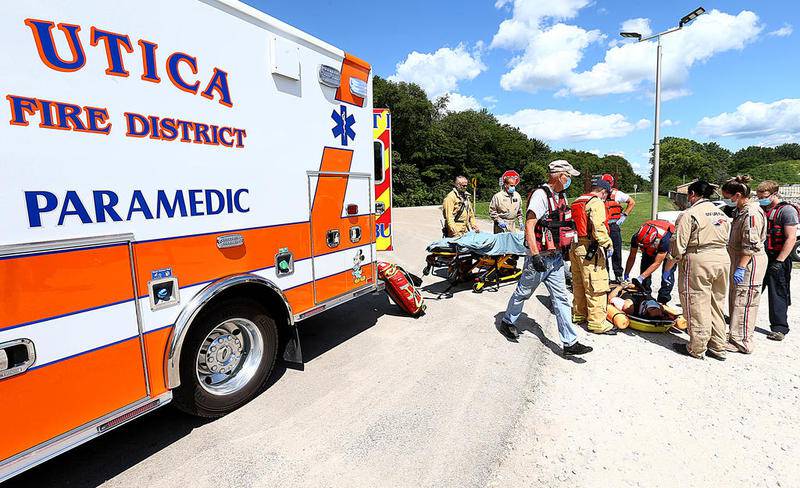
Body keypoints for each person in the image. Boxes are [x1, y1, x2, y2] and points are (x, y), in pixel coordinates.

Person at [499, 160, 592, 357]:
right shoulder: (541, 196)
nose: (570, 181)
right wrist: (534, 255)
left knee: (561, 299)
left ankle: (570, 342)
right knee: (523, 292)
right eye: (568, 176)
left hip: (556, 257)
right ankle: (508, 321)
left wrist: (565, 248)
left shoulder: (561, 196)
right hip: (540, 257)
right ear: (560, 176)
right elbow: (530, 226)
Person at [670, 180, 731, 361]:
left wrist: (674, 259)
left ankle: (697, 347)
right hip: (722, 257)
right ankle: (718, 346)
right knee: (716, 302)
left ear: (692, 194)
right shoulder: (720, 213)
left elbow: (678, 243)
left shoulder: (690, 214)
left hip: (699, 257)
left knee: (696, 301)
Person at [722, 175, 767, 354]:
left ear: (738, 195)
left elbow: (751, 245)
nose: (727, 200)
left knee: (745, 301)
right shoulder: (740, 210)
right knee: (736, 299)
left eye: (728, 196)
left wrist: (741, 267)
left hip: (749, 264)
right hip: (739, 260)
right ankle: (735, 334)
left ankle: (743, 341)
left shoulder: (751, 213)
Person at [570, 179, 615, 335]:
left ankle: (579, 314)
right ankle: (597, 323)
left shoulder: (578, 200)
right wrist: (608, 244)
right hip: (591, 249)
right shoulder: (596, 203)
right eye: (606, 196)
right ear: (603, 192)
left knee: (579, 283)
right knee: (596, 285)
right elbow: (598, 227)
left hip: (575, 247)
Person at [757, 180, 798, 341]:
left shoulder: (787, 211)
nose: (761, 199)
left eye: (764, 196)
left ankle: (779, 328)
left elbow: (791, 238)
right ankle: (740, 319)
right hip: (762, 255)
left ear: (774, 194)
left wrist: (779, 261)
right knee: (752, 290)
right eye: (759, 196)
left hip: (778, 257)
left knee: (778, 293)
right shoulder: (762, 209)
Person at [624, 219, 676, 304]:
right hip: (653, 245)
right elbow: (632, 256)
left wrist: (641, 277)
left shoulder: (665, 240)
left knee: (667, 273)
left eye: (645, 245)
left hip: (669, 248)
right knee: (645, 266)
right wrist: (626, 274)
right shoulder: (636, 237)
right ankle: (645, 294)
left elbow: (657, 263)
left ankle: (663, 299)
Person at [601, 174, 636, 282]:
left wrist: (624, 215)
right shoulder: (598, 194)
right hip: (602, 226)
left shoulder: (617, 194)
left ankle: (618, 274)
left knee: (616, 251)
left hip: (613, 226)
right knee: (603, 251)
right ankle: (605, 275)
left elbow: (631, 202)